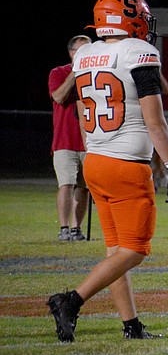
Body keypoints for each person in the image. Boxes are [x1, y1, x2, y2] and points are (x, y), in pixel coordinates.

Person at [47, 0, 168, 342]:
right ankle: (71, 301)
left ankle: (131, 325)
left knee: (116, 251)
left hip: (96, 160)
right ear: (130, 19)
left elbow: (81, 114)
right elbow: (155, 122)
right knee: (135, 249)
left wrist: (93, 149)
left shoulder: (85, 54)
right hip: (126, 165)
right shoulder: (138, 52)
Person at [48, 35, 91, 242]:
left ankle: (77, 228)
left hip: (89, 140)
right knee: (66, 184)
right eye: (82, 50)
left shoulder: (95, 74)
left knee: (84, 187)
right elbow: (58, 96)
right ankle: (64, 228)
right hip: (65, 140)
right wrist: (75, 72)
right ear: (72, 53)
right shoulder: (58, 72)